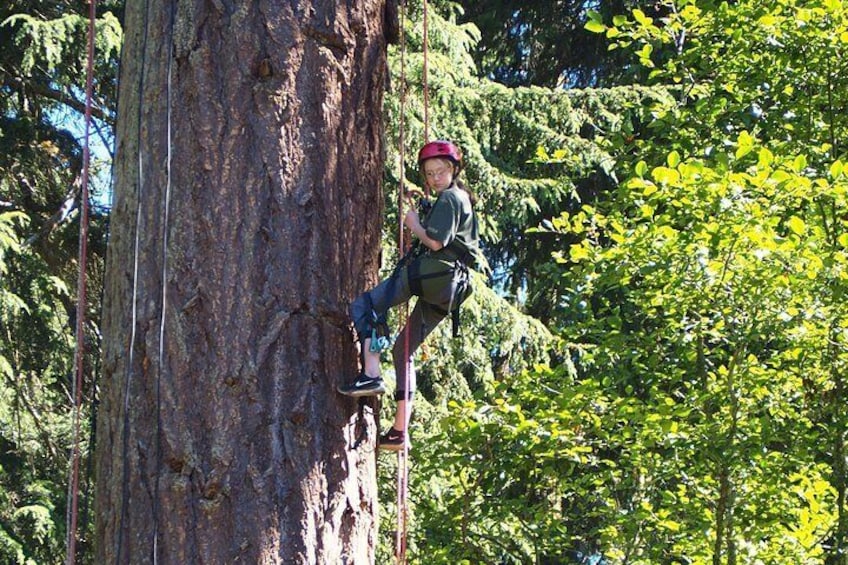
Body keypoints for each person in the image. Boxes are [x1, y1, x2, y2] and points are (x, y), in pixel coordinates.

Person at [338, 140, 481, 451]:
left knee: (366, 305)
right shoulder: (463, 202)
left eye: (441, 171)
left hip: (433, 274)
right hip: (451, 289)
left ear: (454, 170)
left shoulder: (451, 197)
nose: (435, 178)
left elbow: (436, 242)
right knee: (404, 350)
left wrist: (414, 223)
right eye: (429, 174)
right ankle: (400, 431)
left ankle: (371, 373)